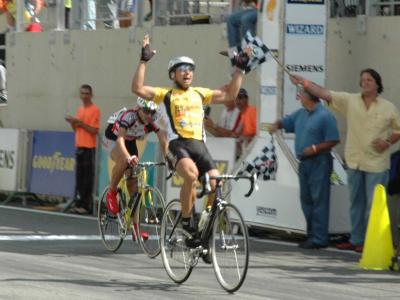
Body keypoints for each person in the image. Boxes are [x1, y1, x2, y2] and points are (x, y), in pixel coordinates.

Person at [132, 34, 249, 247]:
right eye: (182, 69)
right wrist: (143, 61)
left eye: (190, 69)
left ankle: (205, 225)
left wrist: (240, 69)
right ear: (173, 74)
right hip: (178, 145)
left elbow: (231, 95)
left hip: (199, 146)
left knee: (217, 183)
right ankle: (187, 222)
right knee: (192, 176)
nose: (187, 72)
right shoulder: (166, 94)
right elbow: (138, 89)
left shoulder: (199, 93)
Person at [290, 69, 400, 253]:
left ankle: (372, 242)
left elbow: (398, 129)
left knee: (373, 205)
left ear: (377, 84)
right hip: (355, 160)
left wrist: (387, 142)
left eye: (369, 80)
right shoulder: (351, 101)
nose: (365, 82)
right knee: (355, 203)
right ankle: (357, 240)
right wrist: (305, 83)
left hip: (377, 163)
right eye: (362, 79)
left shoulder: (388, 107)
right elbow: (325, 94)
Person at [269, 87, 339, 248]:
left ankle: (319, 239)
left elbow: (334, 139)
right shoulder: (301, 114)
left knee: (319, 200)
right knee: (306, 200)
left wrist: (315, 148)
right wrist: (277, 124)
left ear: (309, 97)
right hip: (305, 163)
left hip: (319, 161)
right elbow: (287, 122)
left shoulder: (325, 116)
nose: (299, 97)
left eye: (301, 95)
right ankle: (312, 235)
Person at [103, 97, 168, 239]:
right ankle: (112, 192)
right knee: (124, 160)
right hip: (113, 139)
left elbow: (162, 138)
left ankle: (136, 230)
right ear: (139, 109)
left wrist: (169, 159)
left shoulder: (151, 121)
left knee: (134, 187)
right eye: (146, 111)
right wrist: (128, 158)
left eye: (152, 112)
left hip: (130, 141)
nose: (149, 115)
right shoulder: (129, 116)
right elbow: (120, 140)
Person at [65, 84, 100, 214]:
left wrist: (79, 123)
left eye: (86, 93)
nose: (84, 96)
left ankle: (87, 205)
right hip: (79, 145)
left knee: (87, 179)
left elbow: (94, 130)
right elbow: (76, 130)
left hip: (89, 147)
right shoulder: (80, 110)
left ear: (91, 95)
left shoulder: (95, 110)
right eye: (82, 93)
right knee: (79, 178)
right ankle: (80, 203)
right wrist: (73, 123)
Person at [233, 88, 257, 158]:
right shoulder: (243, 114)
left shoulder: (252, 111)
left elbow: (259, 134)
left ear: (247, 99)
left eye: (240, 98)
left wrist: (244, 138)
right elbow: (237, 133)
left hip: (253, 153)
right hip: (246, 152)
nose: (237, 101)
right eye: (236, 98)